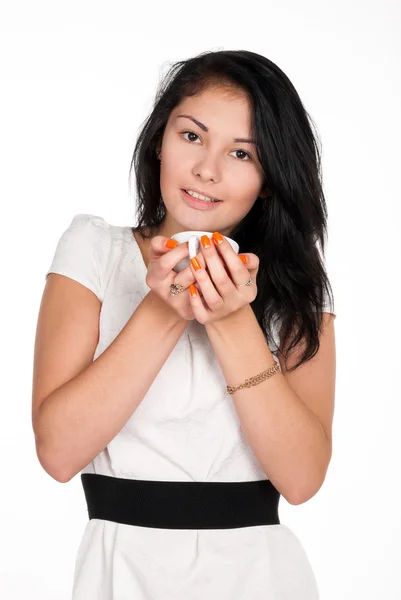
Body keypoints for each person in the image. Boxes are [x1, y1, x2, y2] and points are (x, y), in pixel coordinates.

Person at [32, 49, 336, 599]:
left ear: (269, 178)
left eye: (242, 152)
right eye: (192, 136)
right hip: (120, 575)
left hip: (261, 577)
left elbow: (303, 479)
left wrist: (231, 320)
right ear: (159, 139)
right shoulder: (94, 251)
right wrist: (163, 310)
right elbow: (57, 452)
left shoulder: (295, 290)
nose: (207, 170)